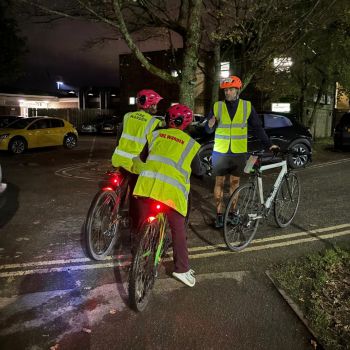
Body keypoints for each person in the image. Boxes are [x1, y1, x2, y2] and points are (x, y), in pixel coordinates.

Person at [132, 104, 205, 287]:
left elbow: (144, 156)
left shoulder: (155, 135)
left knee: (143, 222)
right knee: (178, 229)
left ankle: (139, 251)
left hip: (146, 188)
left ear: (166, 119)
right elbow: (198, 171)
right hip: (171, 195)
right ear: (186, 124)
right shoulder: (191, 144)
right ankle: (181, 269)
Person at [206, 75, 279, 228]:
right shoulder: (217, 106)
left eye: (231, 89)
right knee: (219, 182)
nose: (227, 93)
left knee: (234, 184)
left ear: (238, 90)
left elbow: (258, 127)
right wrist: (210, 125)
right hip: (220, 151)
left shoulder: (247, 106)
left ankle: (232, 214)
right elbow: (207, 128)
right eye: (225, 90)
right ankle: (219, 215)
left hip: (238, 152)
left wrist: (269, 144)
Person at [111, 89, 163, 225]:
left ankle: (112, 211)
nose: (156, 107)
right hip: (135, 164)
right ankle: (134, 227)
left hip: (119, 159)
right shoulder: (153, 123)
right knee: (136, 195)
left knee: (119, 189)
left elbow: (119, 138)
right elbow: (152, 148)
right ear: (150, 105)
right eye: (155, 104)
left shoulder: (127, 116)